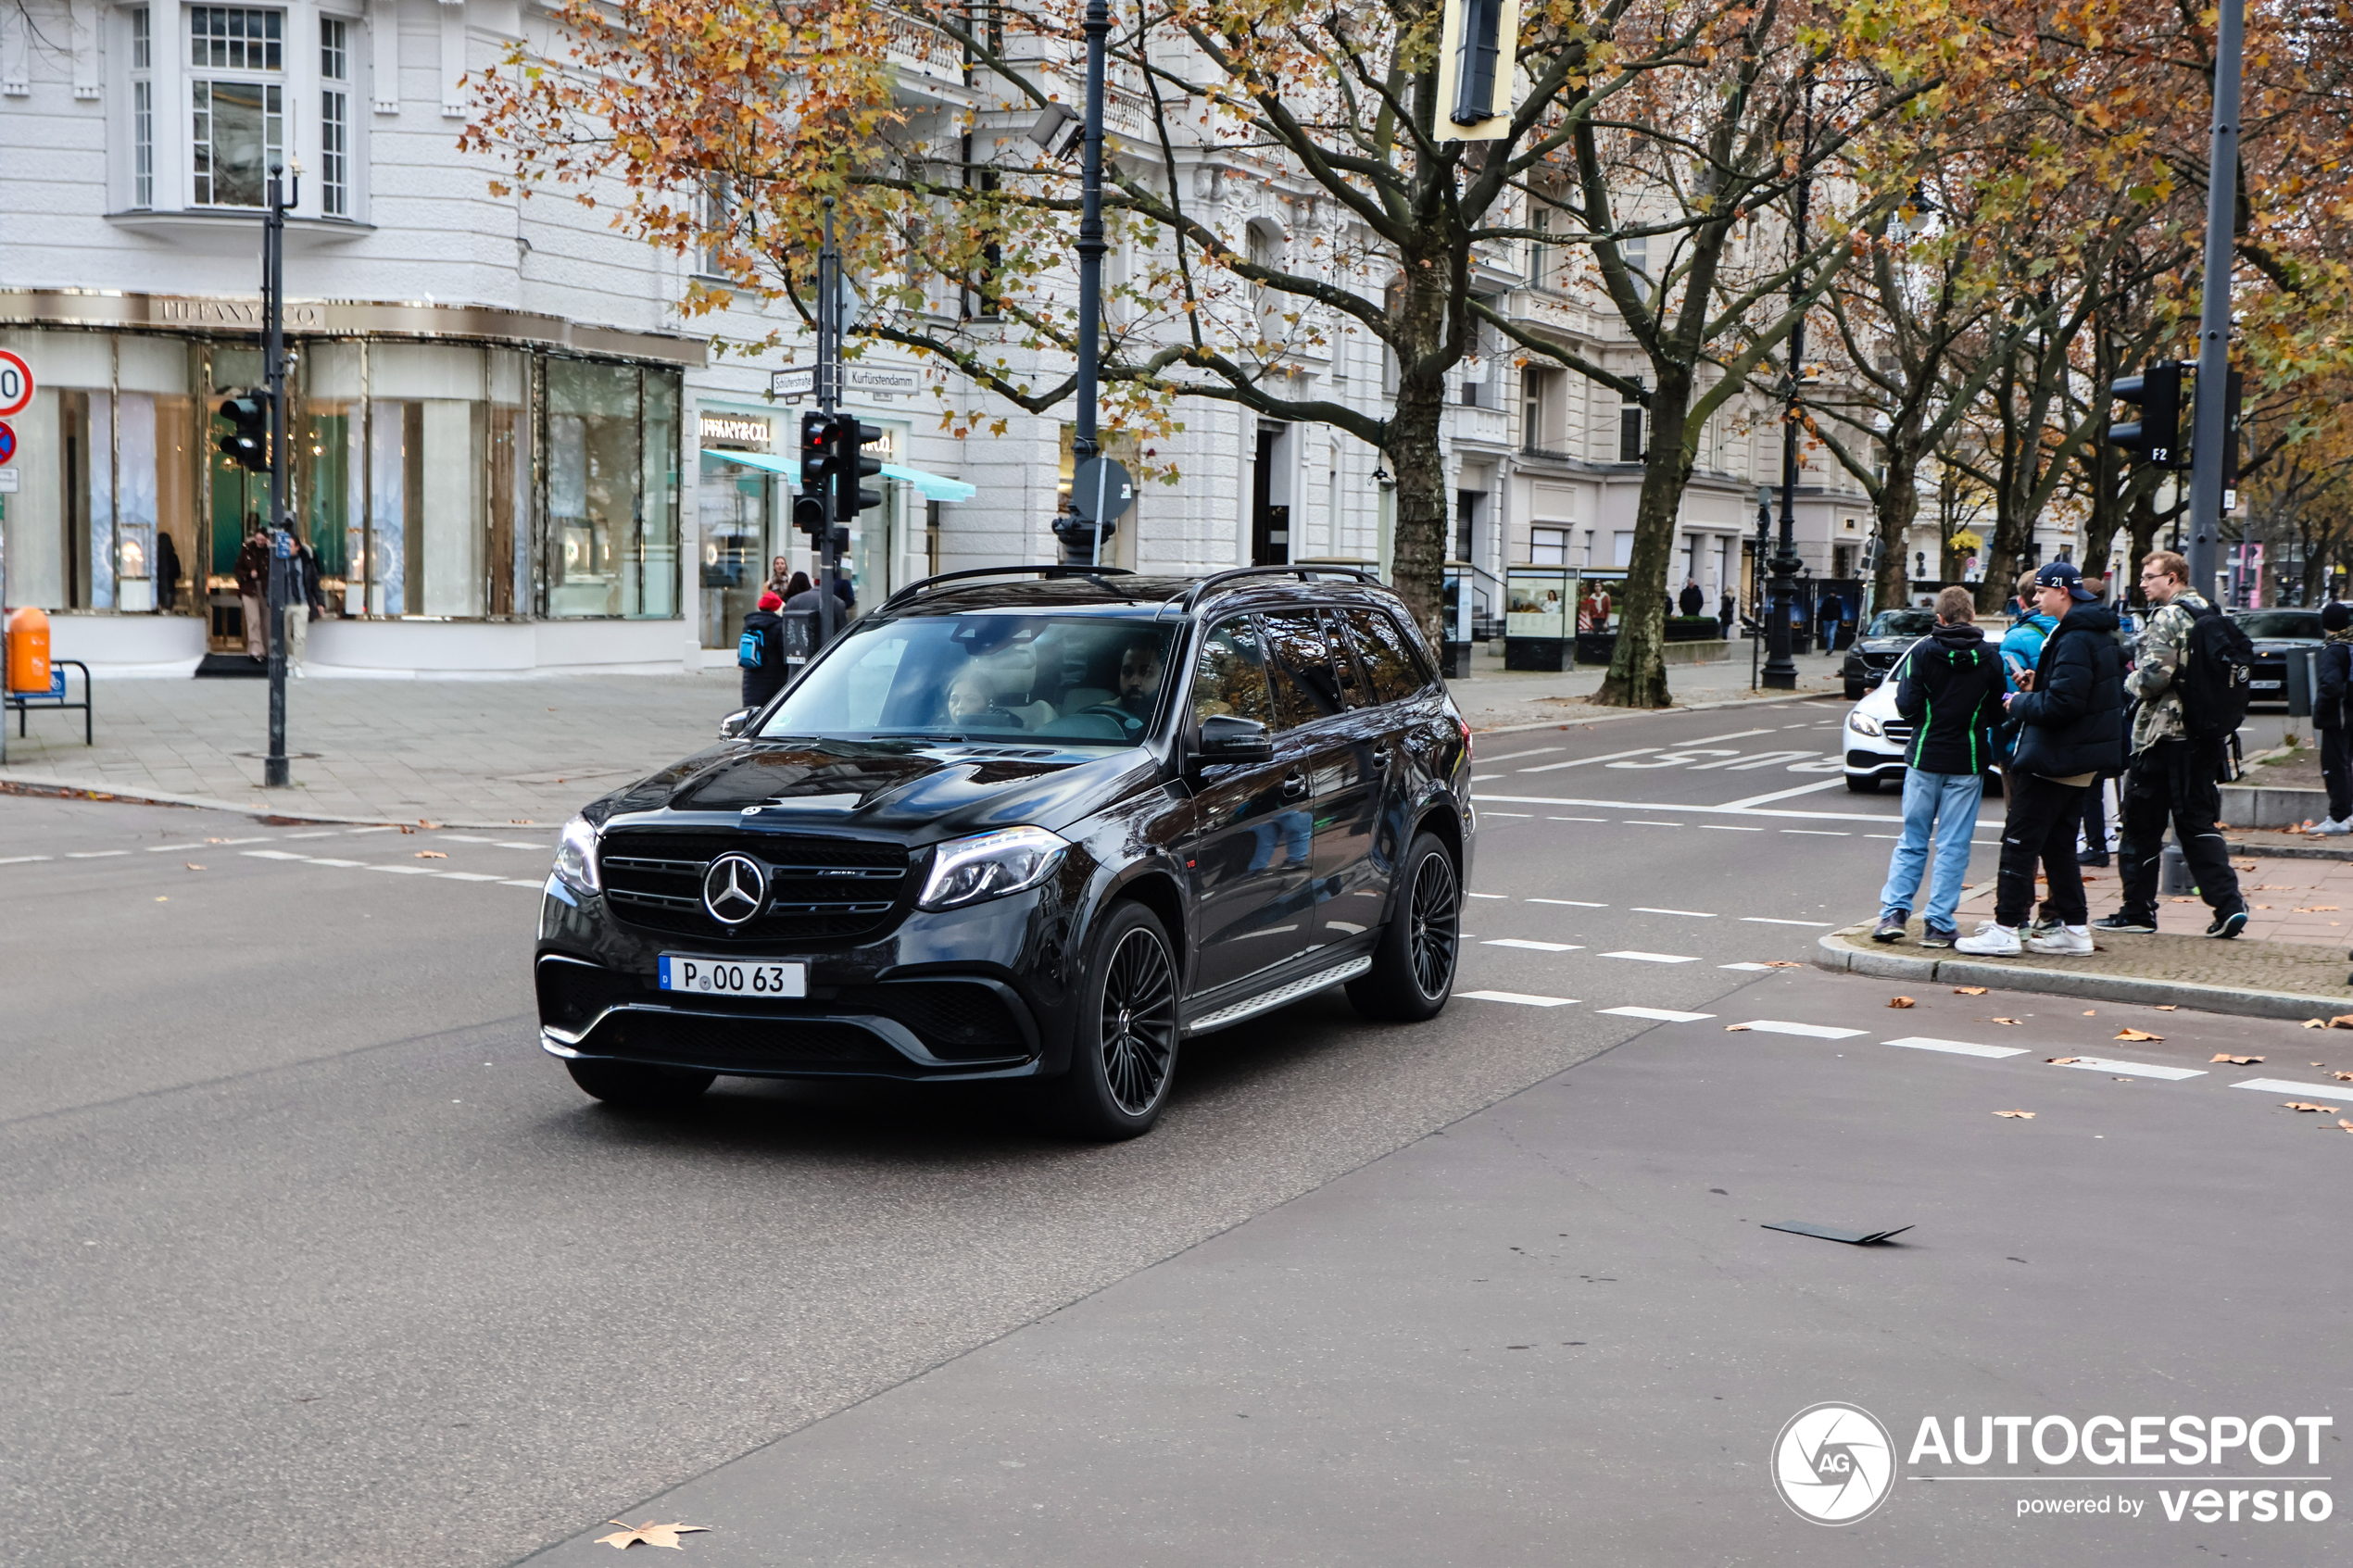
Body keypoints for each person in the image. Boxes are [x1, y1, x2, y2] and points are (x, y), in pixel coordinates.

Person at [1956, 560, 2125, 957]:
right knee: (2058, 845)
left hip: (2054, 756)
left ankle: (2005, 927)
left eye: (2042, 591)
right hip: (2078, 758)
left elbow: (2062, 705)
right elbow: (2078, 694)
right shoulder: (2092, 632)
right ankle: (2075, 929)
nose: (2035, 598)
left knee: (2019, 841)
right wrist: (2039, 685)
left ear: (2062, 591)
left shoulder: (2073, 637)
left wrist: (2020, 701)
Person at [2095, 549, 2251, 938]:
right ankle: (2229, 905)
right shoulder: (2210, 612)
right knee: (2197, 822)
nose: (2144, 583)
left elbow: (2153, 677)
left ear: (2173, 578)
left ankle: (2138, 911)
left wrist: (2128, 682)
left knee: (2141, 827)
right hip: (2203, 736)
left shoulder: (2169, 616)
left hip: (2163, 737)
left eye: (2150, 576)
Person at [1872, 586, 2005, 947]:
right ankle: (1938, 922)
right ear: (1972, 616)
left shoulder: (1924, 652)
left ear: (1940, 618)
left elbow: (1906, 705)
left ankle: (1894, 914)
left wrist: (1925, 718)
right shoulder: (1990, 658)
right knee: (1954, 844)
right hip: (1968, 759)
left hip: (1925, 756)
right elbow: (1995, 712)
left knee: (1913, 839)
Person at [2312, 601, 2353, 835]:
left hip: (2337, 716)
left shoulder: (2334, 650)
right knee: (2347, 765)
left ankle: (2338, 817)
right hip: (2352, 716)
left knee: (2334, 766)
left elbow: (2330, 686)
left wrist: (2323, 708)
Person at [283, 533, 326, 676]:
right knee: (285, 634)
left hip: (302, 603)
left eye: (290, 546)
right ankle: (290, 655)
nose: (287, 549)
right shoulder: (281, 563)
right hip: (286, 604)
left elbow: (315, 584)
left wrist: (319, 602)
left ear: (297, 547)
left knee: (299, 636)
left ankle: (298, 664)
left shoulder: (306, 563)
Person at [737, 591, 788, 709]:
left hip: (751, 677)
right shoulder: (778, 626)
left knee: (752, 713)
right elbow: (783, 654)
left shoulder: (749, 625)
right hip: (772, 678)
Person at [233, 521, 270, 660]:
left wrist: (271, 547)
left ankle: (266, 649)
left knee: (266, 620)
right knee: (253, 620)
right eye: (257, 539)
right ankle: (256, 650)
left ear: (266, 539)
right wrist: (248, 574)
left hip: (265, 588)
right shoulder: (247, 550)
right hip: (249, 588)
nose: (260, 542)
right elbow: (237, 569)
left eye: (262, 539)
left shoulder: (270, 551)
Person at [154, 529, 182, 613]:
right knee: (168, 611)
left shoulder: (156, 558)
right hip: (171, 589)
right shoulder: (173, 557)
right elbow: (178, 574)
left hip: (157, 590)